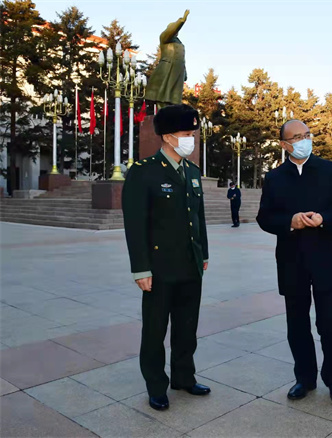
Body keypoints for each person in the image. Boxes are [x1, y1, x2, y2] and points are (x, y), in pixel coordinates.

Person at [256, 119, 332, 406]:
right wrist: (290, 221)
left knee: (330, 323)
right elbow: (265, 217)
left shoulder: (330, 170)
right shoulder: (275, 177)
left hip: (327, 259)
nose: (304, 140)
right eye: (297, 137)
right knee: (297, 324)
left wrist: (324, 219)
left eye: (307, 135)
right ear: (284, 145)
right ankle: (305, 378)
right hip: (292, 261)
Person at [122, 104, 211, 412]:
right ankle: (156, 386)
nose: (191, 139)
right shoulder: (144, 171)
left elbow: (198, 217)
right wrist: (141, 269)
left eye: (192, 134)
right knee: (155, 330)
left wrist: (203, 253)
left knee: (187, 327)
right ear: (169, 136)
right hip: (159, 267)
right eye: (187, 134)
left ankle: (184, 378)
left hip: (190, 264)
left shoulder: (192, 172)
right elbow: (135, 224)